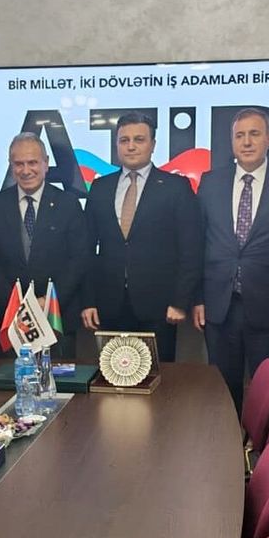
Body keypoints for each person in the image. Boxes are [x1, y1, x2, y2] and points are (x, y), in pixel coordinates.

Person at [194, 107, 269, 412]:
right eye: (240, 135)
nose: (247, 142)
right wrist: (197, 299)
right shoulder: (210, 182)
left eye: (255, 134)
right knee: (222, 393)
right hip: (219, 307)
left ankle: (267, 445)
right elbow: (198, 244)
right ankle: (227, 443)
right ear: (232, 141)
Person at [81, 111, 202, 362]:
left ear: (153, 144)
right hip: (109, 305)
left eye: (139, 139)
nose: (131, 146)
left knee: (157, 377)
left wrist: (180, 301)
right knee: (113, 375)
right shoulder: (101, 188)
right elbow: (86, 249)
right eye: (124, 140)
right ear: (116, 145)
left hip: (160, 307)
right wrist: (88, 300)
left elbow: (191, 249)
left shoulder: (176, 187)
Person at [0, 133, 90, 357]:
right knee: (11, 378)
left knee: (59, 378)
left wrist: (48, 301)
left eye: (32, 162)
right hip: (11, 321)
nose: (26, 170)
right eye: (19, 164)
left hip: (57, 318)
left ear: (46, 163)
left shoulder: (68, 204)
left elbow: (78, 259)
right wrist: (17, 305)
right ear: (11, 166)